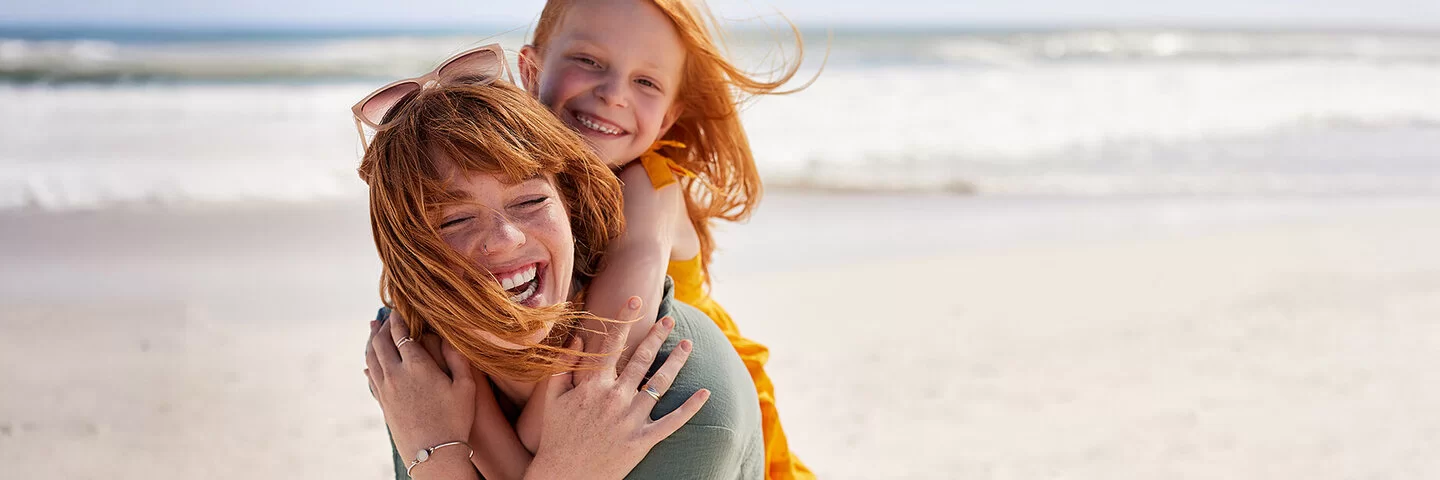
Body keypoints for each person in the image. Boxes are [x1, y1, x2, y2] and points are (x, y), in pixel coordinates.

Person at [354, 71, 764, 478]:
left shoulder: (677, 395)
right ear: (409, 255)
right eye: (454, 220)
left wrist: (438, 461)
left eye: (530, 199)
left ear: (569, 206)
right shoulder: (414, 374)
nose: (504, 238)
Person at [515, 1, 817, 478]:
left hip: (715, 426)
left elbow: (611, 338)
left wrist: (509, 437)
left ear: (669, 117)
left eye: (646, 82)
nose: (613, 93)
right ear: (531, 70)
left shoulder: (650, 188)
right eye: (589, 61)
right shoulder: (514, 184)